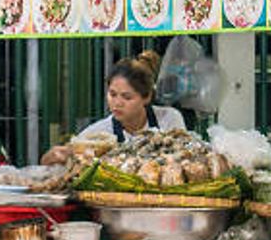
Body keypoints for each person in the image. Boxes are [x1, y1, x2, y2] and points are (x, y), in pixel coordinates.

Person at [42, 50, 185, 164]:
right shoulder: (99, 132)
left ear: (146, 97)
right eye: (112, 94)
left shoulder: (169, 120)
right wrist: (56, 156)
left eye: (126, 97)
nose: (117, 103)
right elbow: (53, 158)